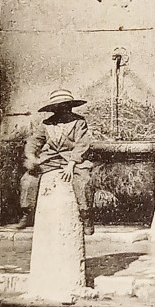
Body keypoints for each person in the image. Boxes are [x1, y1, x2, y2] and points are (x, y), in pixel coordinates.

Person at [18, 89, 94, 234]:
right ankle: (27, 213)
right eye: (59, 106)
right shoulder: (46, 123)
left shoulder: (79, 122)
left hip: (73, 159)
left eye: (65, 105)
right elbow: (34, 141)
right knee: (28, 178)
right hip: (51, 158)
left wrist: (71, 164)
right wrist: (31, 157)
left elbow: (82, 144)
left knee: (83, 180)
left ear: (70, 106)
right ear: (54, 108)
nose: (63, 109)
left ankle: (86, 215)